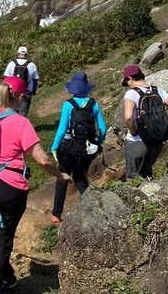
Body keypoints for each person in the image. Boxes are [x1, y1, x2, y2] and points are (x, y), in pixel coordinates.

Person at [0, 76, 69, 294]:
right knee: (4, 235)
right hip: (8, 188)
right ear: (21, 96)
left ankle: (9, 278)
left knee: (1, 230)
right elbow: (42, 159)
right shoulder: (21, 123)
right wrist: (60, 176)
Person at [50, 72, 107, 224]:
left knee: (62, 179)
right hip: (86, 149)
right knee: (80, 179)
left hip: (68, 148)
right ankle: (93, 209)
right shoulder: (93, 104)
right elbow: (103, 127)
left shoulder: (68, 104)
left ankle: (56, 215)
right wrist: (97, 143)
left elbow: (62, 129)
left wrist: (54, 147)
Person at [121, 64, 168, 180]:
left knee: (133, 179)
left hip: (137, 142)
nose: (127, 86)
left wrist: (133, 130)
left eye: (126, 83)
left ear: (129, 78)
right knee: (147, 173)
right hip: (157, 142)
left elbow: (128, 117)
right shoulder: (157, 90)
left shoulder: (131, 93)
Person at [3, 46, 39, 117]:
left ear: (18, 53)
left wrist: (6, 92)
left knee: (12, 112)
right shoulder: (32, 65)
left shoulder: (11, 64)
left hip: (13, 92)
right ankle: (22, 126)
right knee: (23, 112)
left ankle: (12, 127)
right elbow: (35, 80)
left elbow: (6, 78)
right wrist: (33, 91)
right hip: (26, 92)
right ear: (26, 54)